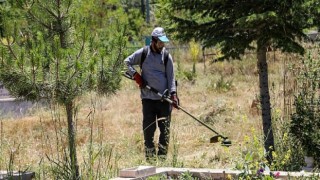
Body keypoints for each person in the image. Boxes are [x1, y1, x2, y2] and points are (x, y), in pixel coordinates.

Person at [124, 27, 179, 161]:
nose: (162, 45)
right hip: (148, 99)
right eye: (160, 43)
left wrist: (173, 95)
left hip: (164, 100)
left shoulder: (166, 56)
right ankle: (150, 160)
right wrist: (136, 76)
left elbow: (171, 77)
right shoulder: (143, 53)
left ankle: (161, 160)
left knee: (164, 132)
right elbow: (127, 62)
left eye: (163, 43)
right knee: (148, 131)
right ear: (153, 41)